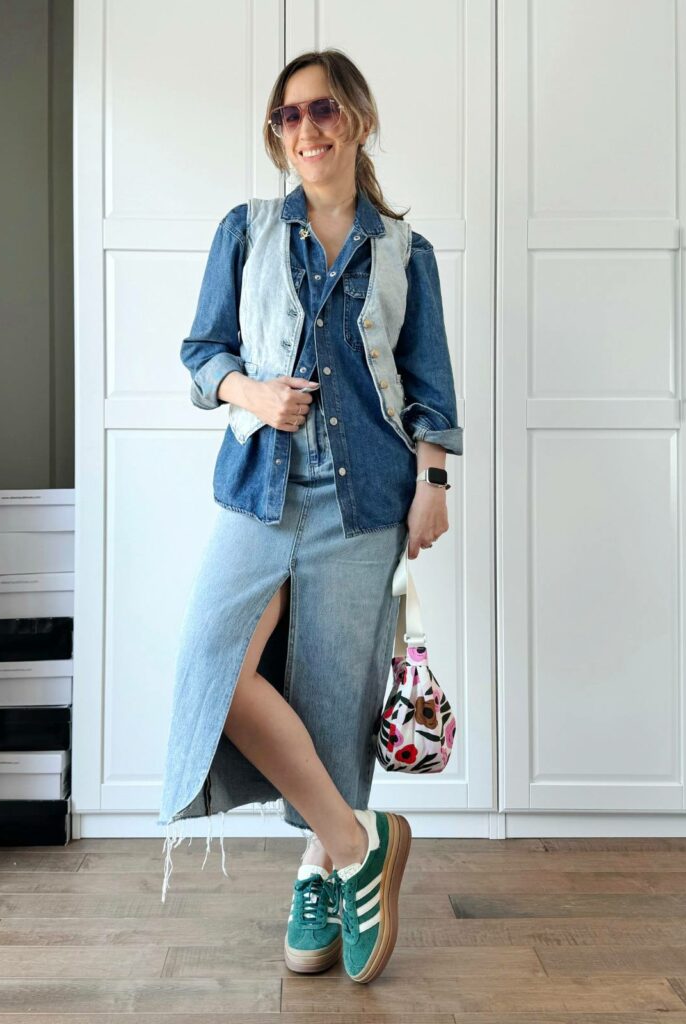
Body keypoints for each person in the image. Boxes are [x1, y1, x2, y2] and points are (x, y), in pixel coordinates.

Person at [156, 49, 463, 985]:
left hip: (365, 501)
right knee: (216, 667)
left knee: (335, 699)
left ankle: (319, 870)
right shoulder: (245, 230)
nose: (307, 130)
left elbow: (429, 386)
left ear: (357, 120)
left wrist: (434, 482)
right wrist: (251, 389)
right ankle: (362, 841)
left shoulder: (407, 253)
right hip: (260, 491)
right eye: (288, 117)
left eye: (323, 110)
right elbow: (202, 351)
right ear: (277, 135)